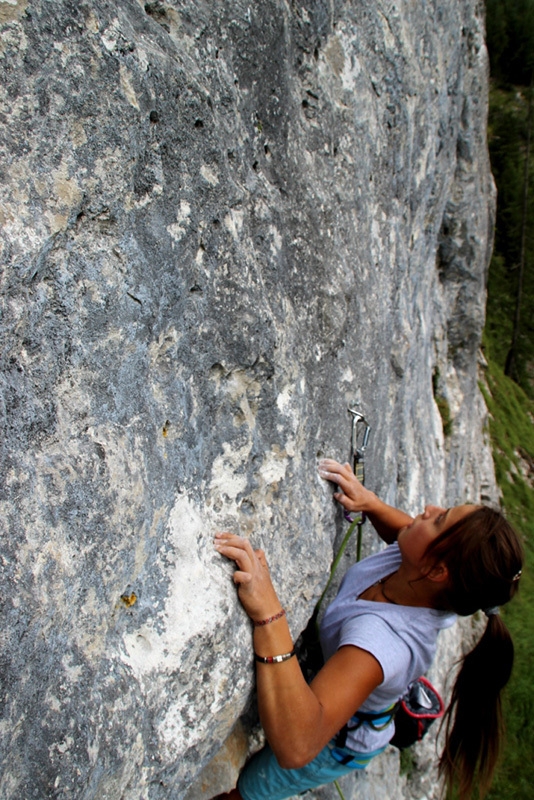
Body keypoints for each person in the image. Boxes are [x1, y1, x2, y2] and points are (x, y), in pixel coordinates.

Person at [212, 459, 523, 800]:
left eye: (439, 519)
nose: (428, 508)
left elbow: (297, 747)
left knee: (248, 789)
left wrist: (269, 611)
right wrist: (371, 503)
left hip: (335, 743)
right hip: (351, 687)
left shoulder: (378, 643)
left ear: (437, 570)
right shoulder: (419, 570)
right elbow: (403, 527)